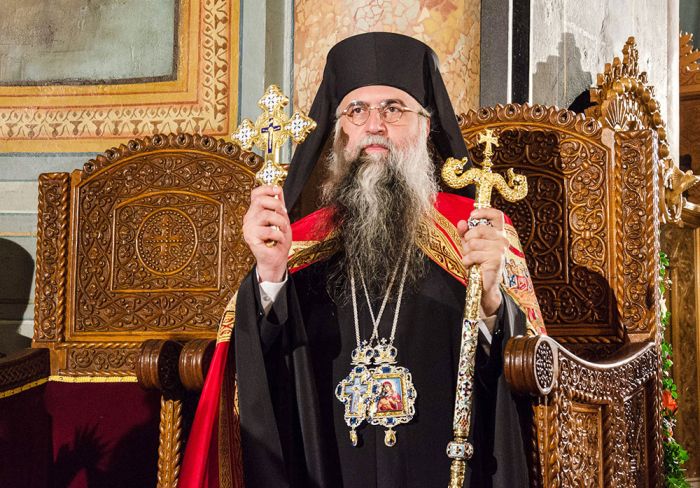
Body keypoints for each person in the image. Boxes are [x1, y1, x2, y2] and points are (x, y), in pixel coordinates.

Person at [179, 32, 545, 488]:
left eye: (393, 109)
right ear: (339, 134)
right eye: (356, 110)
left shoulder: (476, 231)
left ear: (426, 127)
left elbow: (528, 370)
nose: (374, 125)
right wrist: (270, 275)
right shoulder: (302, 242)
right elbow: (263, 377)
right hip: (327, 469)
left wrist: (490, 302)